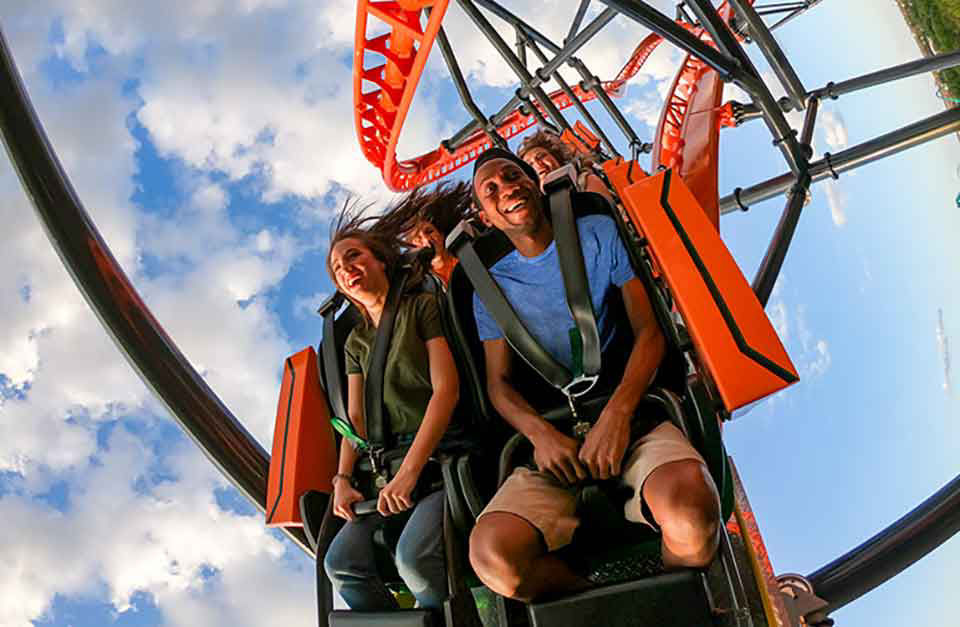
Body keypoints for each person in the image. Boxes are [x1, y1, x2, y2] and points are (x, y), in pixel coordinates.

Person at [465, 148, 721, 602]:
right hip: (556, 438)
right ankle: (606, 595)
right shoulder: (490, 288)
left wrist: (619, 413)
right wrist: (540, 434)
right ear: (485, 216)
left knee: (690, 513)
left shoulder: (598, 233)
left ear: (534, 183)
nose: (506, 188)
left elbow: (649, 330)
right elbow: (498, 385)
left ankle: (674, 596)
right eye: (492, 190)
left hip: (632, 410)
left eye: (512, 176)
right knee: (494, 560)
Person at [323, 205, 460, 611]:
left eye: (354, 256)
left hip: (436, 461)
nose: (346, 268)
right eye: (337, 269)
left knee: (413, 559)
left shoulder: (421, 308)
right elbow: (355, 421)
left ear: (380, 261)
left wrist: (411, 471)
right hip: (384, 470)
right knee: (341, 563)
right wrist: (343, 478)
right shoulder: (356, 343)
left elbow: (446, 390)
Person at [375, 181, 471, 287]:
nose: (426, 239)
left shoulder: (468, 248)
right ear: (412, 249)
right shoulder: (417, 284)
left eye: (429, 231)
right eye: (417, 238)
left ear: (441, 235)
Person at [517, 129, 614, 203]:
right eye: (530, 164)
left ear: (556, 157)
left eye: (541, 156)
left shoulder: (583, 180)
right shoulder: (535, 205)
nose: (538, 164)